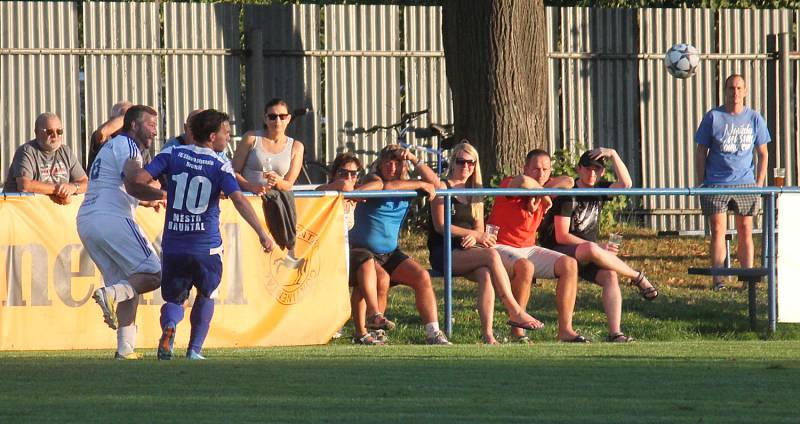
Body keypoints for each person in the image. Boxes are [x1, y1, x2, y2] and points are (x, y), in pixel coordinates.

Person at [126, 109, 274, 360]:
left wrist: (153, 188)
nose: (228, 138)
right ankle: (194, 350)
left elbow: (139, 179)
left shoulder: (173, 153)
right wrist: (261, 231)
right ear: (213, 136)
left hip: (174, 242)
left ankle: (170, 327)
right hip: (206, 245)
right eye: (226, 133)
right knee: (207, 294)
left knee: (173, 298)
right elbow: (238, 199)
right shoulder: (220, 164)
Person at [538, 148, 658, 343]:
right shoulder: (569, 194)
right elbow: (561, 236)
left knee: (610, 275)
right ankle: (637, 277)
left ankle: (615, 333)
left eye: (597, 169)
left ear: (602, 172)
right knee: (592, 249)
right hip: (559, 251)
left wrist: (613, 154)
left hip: (586, 252)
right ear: (579, 169)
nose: (592, 174)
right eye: (587, 169)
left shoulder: (599, 189)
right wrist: (598, 247)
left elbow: (626, 184)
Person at [428, 142, 544, 344]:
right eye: (461, 162)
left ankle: (488, 334)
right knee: (491, 255)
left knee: (486, 274)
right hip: (444, 250)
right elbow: (440, 226)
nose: (466, 167)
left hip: (468, 250)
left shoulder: (475, 191)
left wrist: (476, 236)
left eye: (471, 163)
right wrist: (474, 234)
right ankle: (514, 310)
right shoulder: (442, 187)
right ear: (453, 162)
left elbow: (480, 228)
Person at [76, 105, 163, 360]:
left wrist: (148, 197)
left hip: (88, 219)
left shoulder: (110, 148)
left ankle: (126, 349)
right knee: (153, 274)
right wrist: (164, 193)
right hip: (111, 216)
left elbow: (123, 186)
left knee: (130, 281)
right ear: (134, 125)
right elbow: (133, 183)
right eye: (151, 124)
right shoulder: (128, 145)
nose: (155, 132)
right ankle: (109, 294)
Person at [349, 145, 451, 345]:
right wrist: (420, 185)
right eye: (387, 161)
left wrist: (414, 159)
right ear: (379, 163)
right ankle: (367, 330)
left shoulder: (408, 184)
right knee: (381, 278)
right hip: (362, 251)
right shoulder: (373, 179)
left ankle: (433, 333)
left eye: (397, 162)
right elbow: (385, 187)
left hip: (390, 251)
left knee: (422, 276)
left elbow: (437, 184)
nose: (391, 166)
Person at [487, 149, 586, 343]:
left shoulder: (547, 186)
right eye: (535, 169)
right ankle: (517, 331)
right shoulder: (510, 183)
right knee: (525, 266)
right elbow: (523, 182)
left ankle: (565, 330)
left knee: (569, 264)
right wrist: (543, 194)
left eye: (545, 169)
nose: (540, 174)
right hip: (499, 246)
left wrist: (543, 193)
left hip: (528, 247)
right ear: (525, 168)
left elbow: (569, 181)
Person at [695, 74, 770, 291]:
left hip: (745, 183)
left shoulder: (755, 118)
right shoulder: (713, 117)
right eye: (731, 88)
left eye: (739, 88)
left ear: (745, 91)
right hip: (716, 182)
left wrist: (759, 182)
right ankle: (719, 279)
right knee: (718, 229)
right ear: (725, 91)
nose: (735, 93)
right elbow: (701, 151)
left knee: (745, 229)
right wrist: (701, 182)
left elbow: (763, 153)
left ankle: (748, 280)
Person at [317, 153, 392, 345]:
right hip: (323, 252)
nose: (349, 178)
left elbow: (378, 184)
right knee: (366, 261)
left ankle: (366, 328)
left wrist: (354, 192)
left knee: (381, 277)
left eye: (354, 174)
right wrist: (344, 188)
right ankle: (372, 317)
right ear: (334, 173)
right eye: (343, 173)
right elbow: (322, 189)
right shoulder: (326, 191)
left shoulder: (353, 193)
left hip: (343, 251)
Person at [4, 112, 88, 204]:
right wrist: (59, 190)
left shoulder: (66, 152)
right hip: (24, 215)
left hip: (54, 216)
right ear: (37, 132)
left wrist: (73, 188)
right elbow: (25, 185)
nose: (55, 136)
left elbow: (85, 182)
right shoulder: (26, 151)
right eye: (49, 132)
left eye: (59, 131)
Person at [231, 98, 304, 194]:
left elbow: (289, 184)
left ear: (288, 119)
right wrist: (251, 187)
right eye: (272, 117)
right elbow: (233, 172)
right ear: (265, 119)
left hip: (277, 201)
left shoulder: (296, 147)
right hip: (249, 198)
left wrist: (277, 181)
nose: (277, 120)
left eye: (282, 116)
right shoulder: (251, 138)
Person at [87, 101, 132, 170]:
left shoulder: (136, 140)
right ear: (112, 120)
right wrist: (126, 117)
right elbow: (102, 133)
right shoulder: (105, 138)